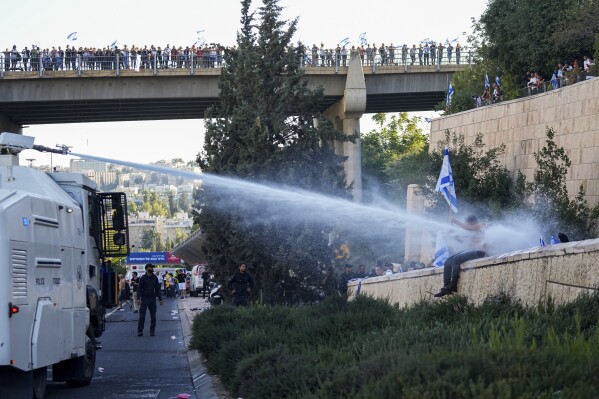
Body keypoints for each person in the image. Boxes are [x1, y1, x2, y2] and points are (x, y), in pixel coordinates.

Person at [434, 214, 487, 297]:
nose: (468, 226)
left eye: (469, 224)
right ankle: (446, 286)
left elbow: (469, 228)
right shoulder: (470, 230)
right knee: (448, 262)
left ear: (473, 222)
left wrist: (455, 221)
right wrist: (453, 235)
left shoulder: (481, 226)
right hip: (471, 250)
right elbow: (463, 241)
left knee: (457, 259)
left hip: (479, 252)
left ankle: (453, 285)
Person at [137, 263, 163, 336]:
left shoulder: (155, 278)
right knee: (142, 316)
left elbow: (157, 289)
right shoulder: (143, 278)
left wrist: (160, 299)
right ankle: (140, 331)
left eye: (152, 267)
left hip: (152, 299)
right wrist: (138, 298)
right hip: (144, 298)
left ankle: (152, 331)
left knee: (153, 316)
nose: (152, 268)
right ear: (146, 269)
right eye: (150, 267)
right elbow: (139, 289)